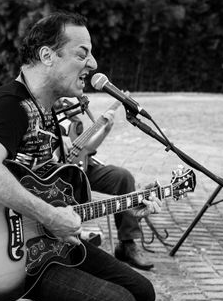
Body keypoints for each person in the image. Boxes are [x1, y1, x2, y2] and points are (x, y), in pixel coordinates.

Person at [0, 11, 159, 301]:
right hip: (5, 255)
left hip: (45, 244)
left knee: (140, 292)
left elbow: (56, 192)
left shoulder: (46, 112)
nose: (93, 64)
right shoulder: (12, 105)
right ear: (48, 56)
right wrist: (50, 216)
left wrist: (130, 201)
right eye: (82, 53)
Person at [60, 101, 155, 270]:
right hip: (58, 175)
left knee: (122, 177)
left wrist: (105, 130)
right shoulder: (42, 112)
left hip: (83, 168)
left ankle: (127, 243)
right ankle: (71, 242)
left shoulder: (73, 120)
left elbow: (85, 149)